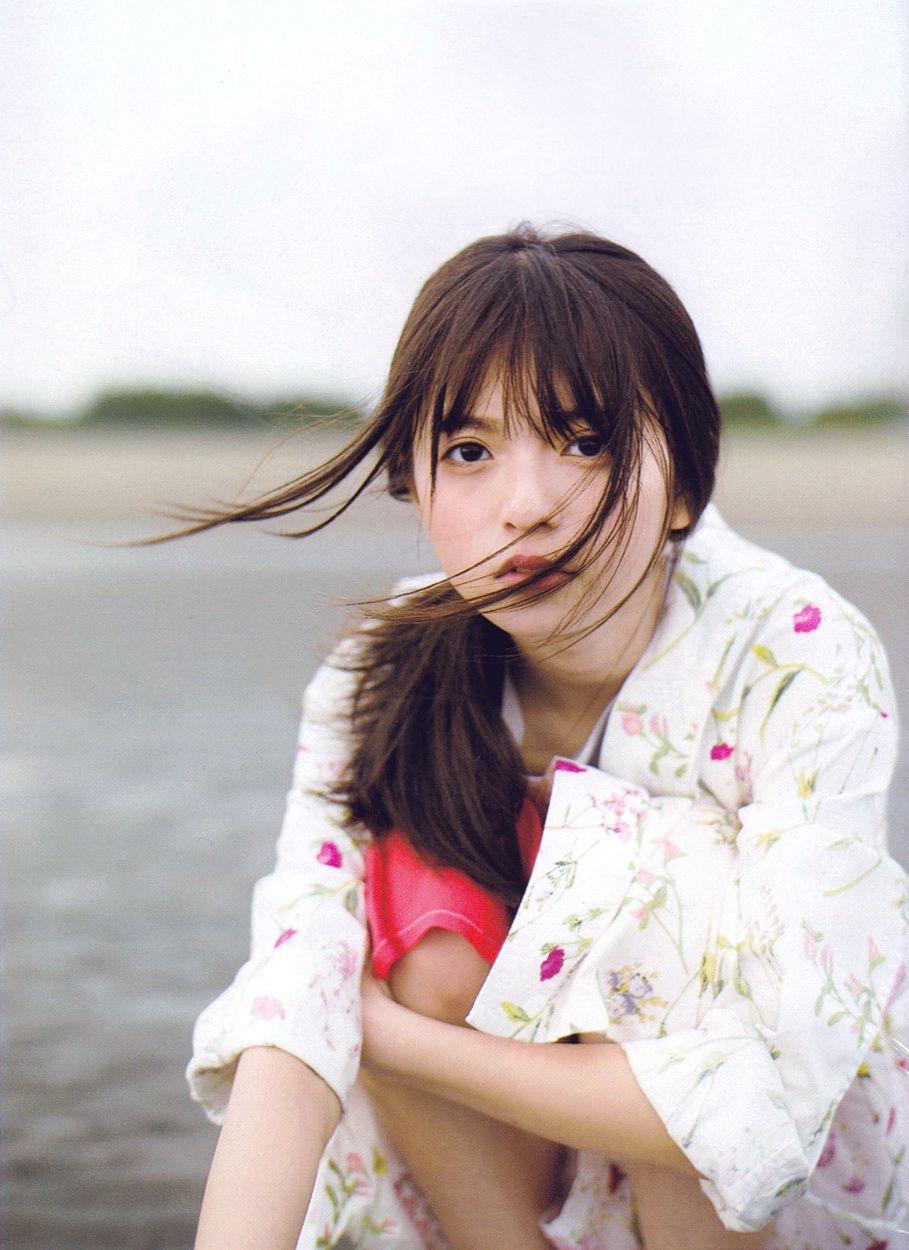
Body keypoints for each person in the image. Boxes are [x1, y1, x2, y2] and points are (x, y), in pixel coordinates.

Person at [179, 226, 909, 1250]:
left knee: (678, 889)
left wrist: (391, 1037)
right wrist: (370, 1012)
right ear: (415, 483)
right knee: (412, 937)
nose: (525, 508)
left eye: (585, 439)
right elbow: (295, 992)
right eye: (470, 452)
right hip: (503, 1174)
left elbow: (772, 1101)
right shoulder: (378, 674)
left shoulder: (799, 653)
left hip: (766, 1196)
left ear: (686, 485)